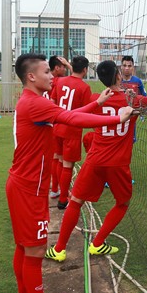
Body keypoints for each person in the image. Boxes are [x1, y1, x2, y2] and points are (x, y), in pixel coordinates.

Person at [6, 53, 133, 293]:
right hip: (28, 188)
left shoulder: (34, 100)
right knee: (35, 251)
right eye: (47, 72)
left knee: (24, 247)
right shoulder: (34, 102)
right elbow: (71, 118)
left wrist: (98, 104)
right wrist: (115, 116)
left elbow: (68, 115)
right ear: (31, 78)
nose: (53, 76)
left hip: (25, 185)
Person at [45, 60, 147, 262]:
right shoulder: (133, 101)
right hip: (118, 164)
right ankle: (97, 243)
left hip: (95, 160)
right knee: (123, 202)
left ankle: (59, 249)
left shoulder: (97, 99)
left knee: (75, 202)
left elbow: (74, 115)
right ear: (119, 76)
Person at [51, 56, 93, 210]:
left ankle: (55, 189)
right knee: (67, 165)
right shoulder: (84, 87)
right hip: (72, 129)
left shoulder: (60, 81)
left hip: (57, 125)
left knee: (58, 159)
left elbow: (53, 102)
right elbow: (88, 110)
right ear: (85, 70)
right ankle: (63, 199)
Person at [47, 55, 73, 198]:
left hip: (50, 123)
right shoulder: (59, 81)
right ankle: (63, 195)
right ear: (57, 68)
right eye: (62, 66)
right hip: (62, 122)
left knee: (55, 157)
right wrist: (69, 65)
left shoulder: (45, 80)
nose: (64, 69)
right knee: (65, 162)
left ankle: (54, 189)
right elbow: (78, 75)